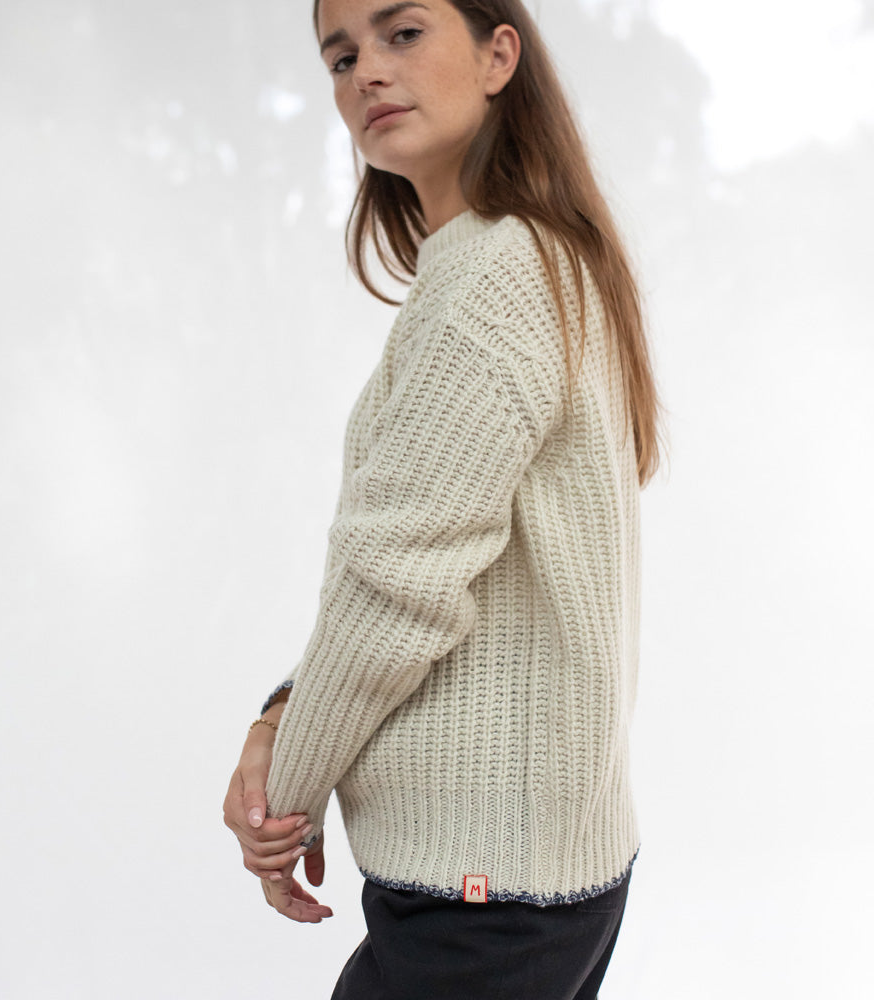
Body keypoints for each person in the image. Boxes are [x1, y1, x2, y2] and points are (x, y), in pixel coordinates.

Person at [223, 1, 666, 996]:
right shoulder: (539, 258)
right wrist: (280, 712)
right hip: (536, 874)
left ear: (498, 52)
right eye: (340, 55)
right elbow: (420, 569)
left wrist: (277, 800)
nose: (366, 72)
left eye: (403, 33)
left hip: (482, 893)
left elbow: (395, 590)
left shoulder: (493, 276)